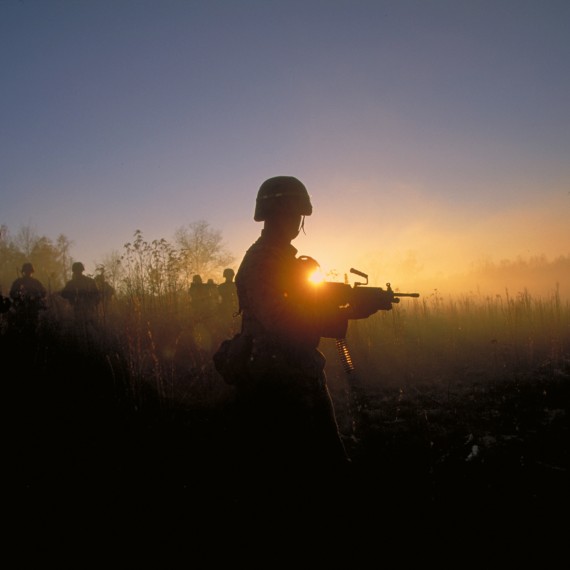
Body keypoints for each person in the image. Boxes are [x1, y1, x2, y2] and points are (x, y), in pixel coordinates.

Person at [228, 175, 352, 485]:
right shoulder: (262, 261)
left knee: (328, 462)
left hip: (300, 370)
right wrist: (336, 318)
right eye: (295, 214)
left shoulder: (282, 258)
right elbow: (281, 322)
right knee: (298, 471)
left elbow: (301, 304)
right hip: (277, 381)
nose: (298, 222)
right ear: (279, 214)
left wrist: (345, 305)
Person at [8, 262, 47, 331]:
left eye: (29, 271)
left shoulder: (35, 282)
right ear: (24, 272)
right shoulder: (19, 282)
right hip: (21, 309)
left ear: (31, 272)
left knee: (32, 327)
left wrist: (35, 296)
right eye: (26, 271)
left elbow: (44, 293)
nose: (28, 273)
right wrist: (19, 296)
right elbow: (11, 294)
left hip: (33, 308)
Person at [60, 262, 100, 327]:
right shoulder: (88, 281)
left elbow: (97, 295)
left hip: (86, 309)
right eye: (76, 270)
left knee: (85, 325)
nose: (77, 272)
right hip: (80, 309)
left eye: (78, 270)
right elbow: (63, 294)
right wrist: (73, 296)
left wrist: (91, 301)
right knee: (84, 325)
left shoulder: (73, 283)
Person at [217, 268, 239, 336]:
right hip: (227, 309)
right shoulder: (234, 286)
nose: (231, 277)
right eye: (230, 275)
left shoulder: (221, 287)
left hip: (231, 308)